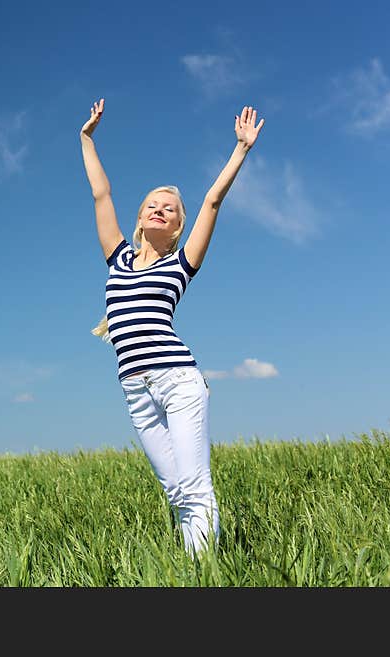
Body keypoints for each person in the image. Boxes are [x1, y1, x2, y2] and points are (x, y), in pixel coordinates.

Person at [79, 97, 265, 555]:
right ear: (140, 219)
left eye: (170, 209)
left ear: (179, 226)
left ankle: (200, 576)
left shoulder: (182, 263)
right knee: (177, 491)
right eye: (152, 206)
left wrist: (240, 149)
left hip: (178, 382)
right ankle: (193, 567)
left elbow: (213, 200)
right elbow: (102, 194)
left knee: (196, 486)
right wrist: (86, 139)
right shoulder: (118, 257)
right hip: (135, 391)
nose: (160, 210)